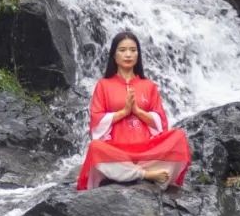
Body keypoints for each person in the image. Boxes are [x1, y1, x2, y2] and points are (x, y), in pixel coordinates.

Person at [75, 31, 193, 191]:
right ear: (114, 56)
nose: (128, 54)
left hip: (147, 149)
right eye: (122, 50)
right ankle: (144, 174)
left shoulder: (149, 86)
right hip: (117, 151)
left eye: (133, 50)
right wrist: (123, 112)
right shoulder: (104, 85)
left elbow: (161, 123)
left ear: (138, 55)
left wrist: (137, 111)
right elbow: (96, 122)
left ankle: (134, 171)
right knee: (95, 148)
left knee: (178, 136)